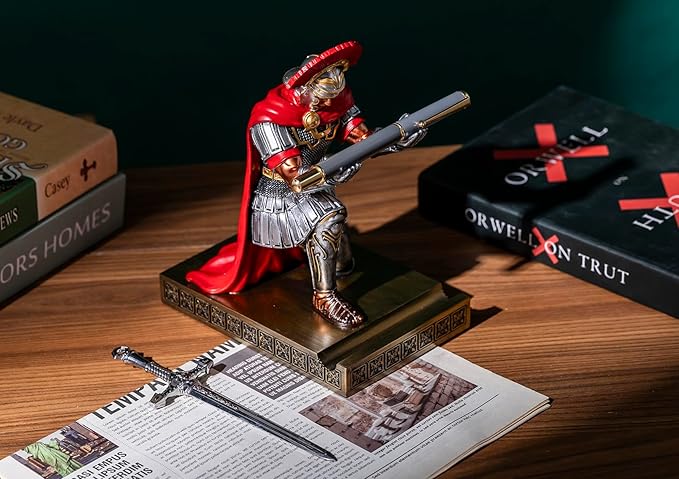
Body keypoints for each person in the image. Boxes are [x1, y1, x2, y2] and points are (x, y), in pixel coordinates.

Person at [186, 40, 425, 328]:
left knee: (341, 253)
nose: (330, 105)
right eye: (323, 98)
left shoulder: (337, 100)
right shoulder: (269, 120)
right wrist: (339, 169)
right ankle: (324, 296)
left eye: (334, 97)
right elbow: (296, 175)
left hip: (318, 181)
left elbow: (364, 141)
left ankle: (338, 266)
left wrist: (396, 138)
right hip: (281, 192)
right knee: (330, 217)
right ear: (304, 91)